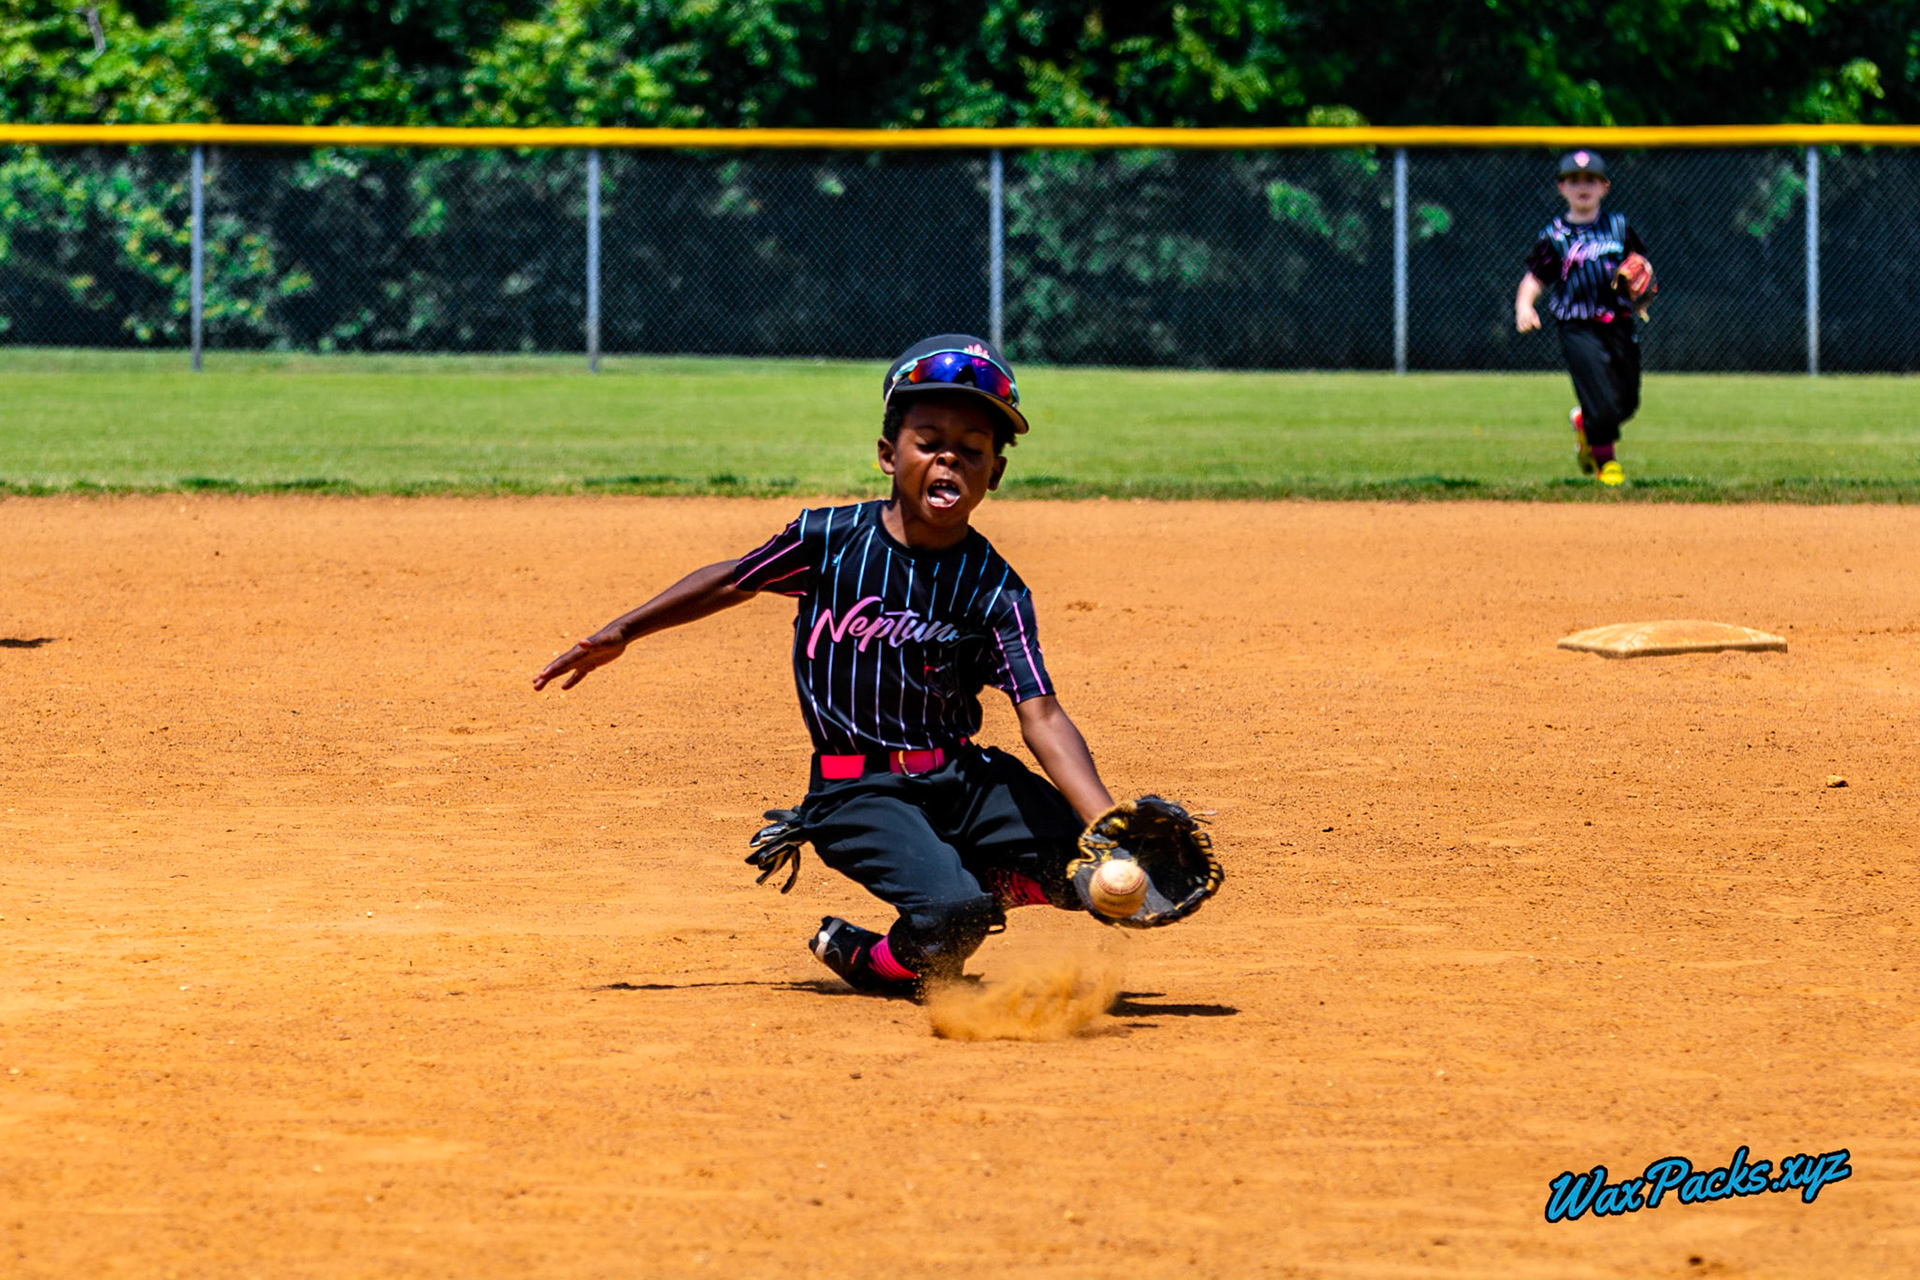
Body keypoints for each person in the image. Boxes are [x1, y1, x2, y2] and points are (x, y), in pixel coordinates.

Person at [532, 334, 1121, 999]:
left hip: (960, 780)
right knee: (954, 916)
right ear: (886, 454)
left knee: (1091, 868)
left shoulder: (995, 588)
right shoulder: (831, 542)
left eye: (972, 448)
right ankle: (877, 955)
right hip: (857, 793)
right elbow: (736, 578)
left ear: (995, 472)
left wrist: (1110, 825)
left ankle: (983, 882)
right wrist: (623, 631)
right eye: (928, 440)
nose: (948, 456)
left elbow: (1039, 712)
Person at [1515, 149, 1651, 487]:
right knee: (1601, 402)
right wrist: (1524, 306)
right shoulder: (1556, 236)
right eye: (1573, 181)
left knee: (1627, 402)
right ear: (1561, 188)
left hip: (1619, 323)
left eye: (1590, 179)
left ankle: (1585, 424)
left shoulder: (1619, 228)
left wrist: (1642, 288)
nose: (1582, 187)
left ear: (1604, 186)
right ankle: (1608, 464)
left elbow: (1640, 268)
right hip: (1577, 326)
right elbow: (1535, 276)